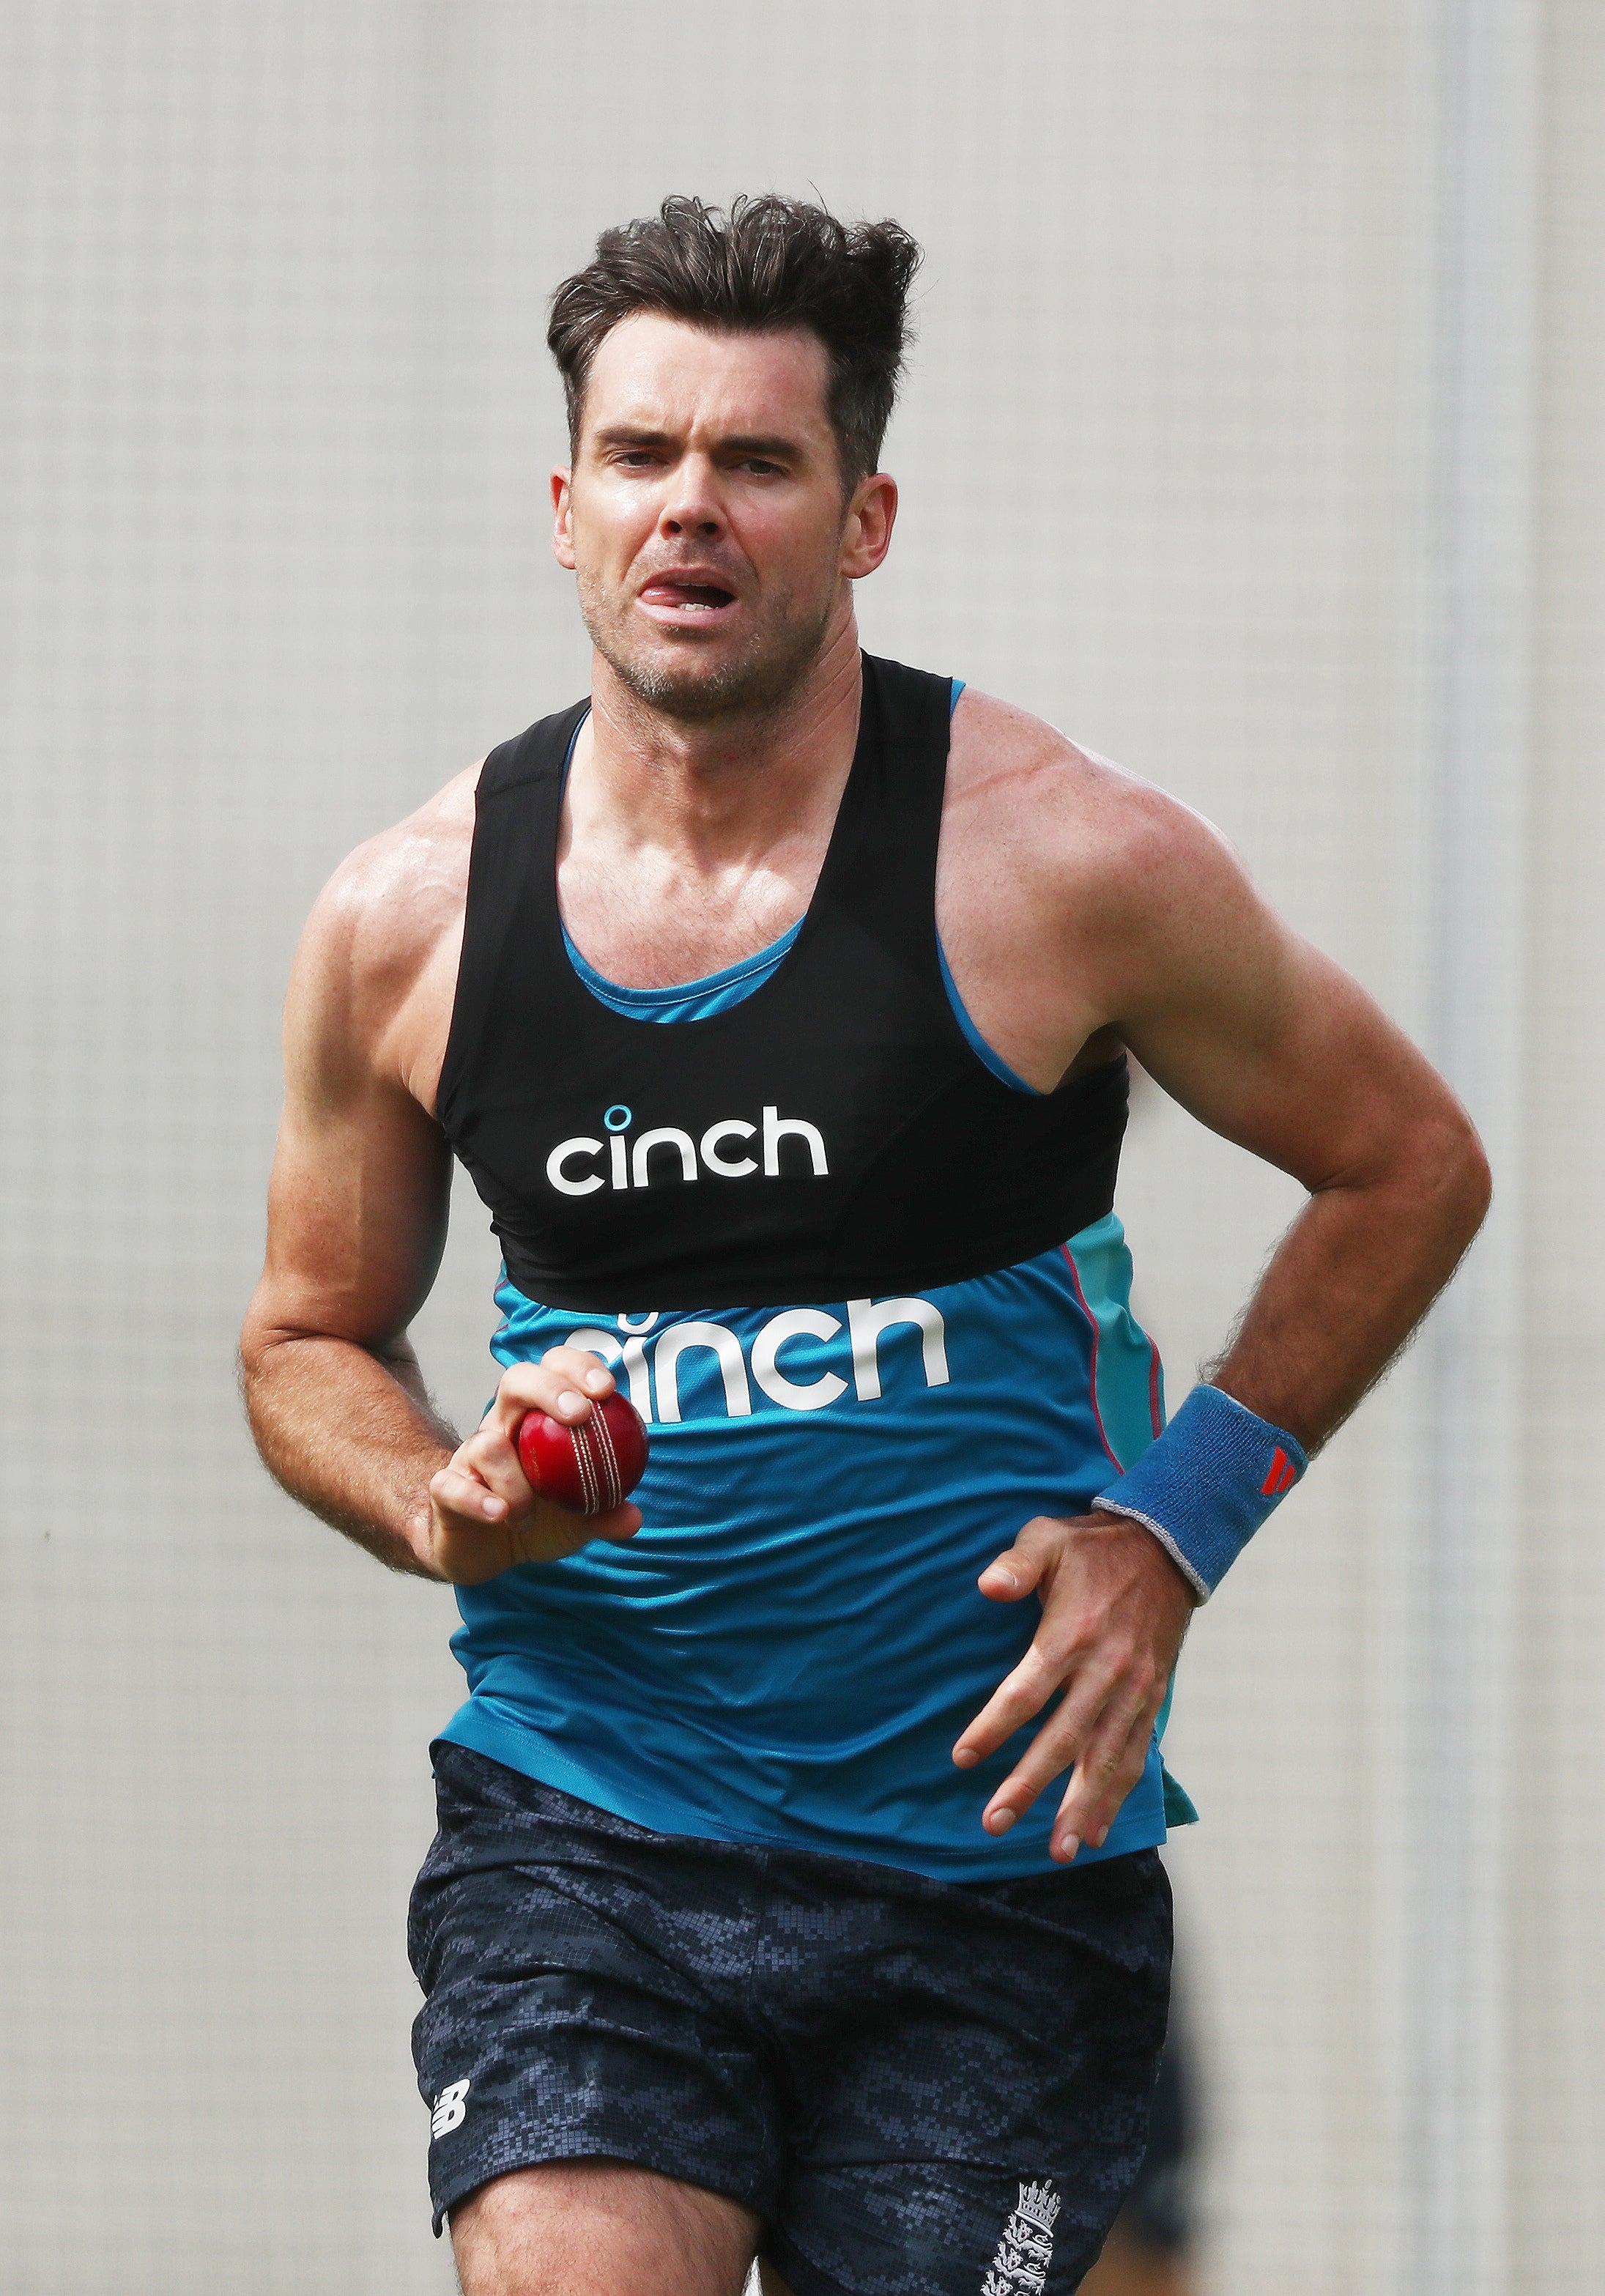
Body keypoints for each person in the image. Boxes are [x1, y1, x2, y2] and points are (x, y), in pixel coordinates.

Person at [239, 196, 1489, 2296]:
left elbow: (1409, 1162)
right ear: (565, 506)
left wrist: (1172, 1525)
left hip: (985, 1871)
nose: (690, 511)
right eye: (641, 459)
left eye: (757, 460)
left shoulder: (1066, 860)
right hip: (589, 1828)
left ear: (865, 512)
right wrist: (439, 1500)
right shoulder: (410, 915)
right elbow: (303, 1341)